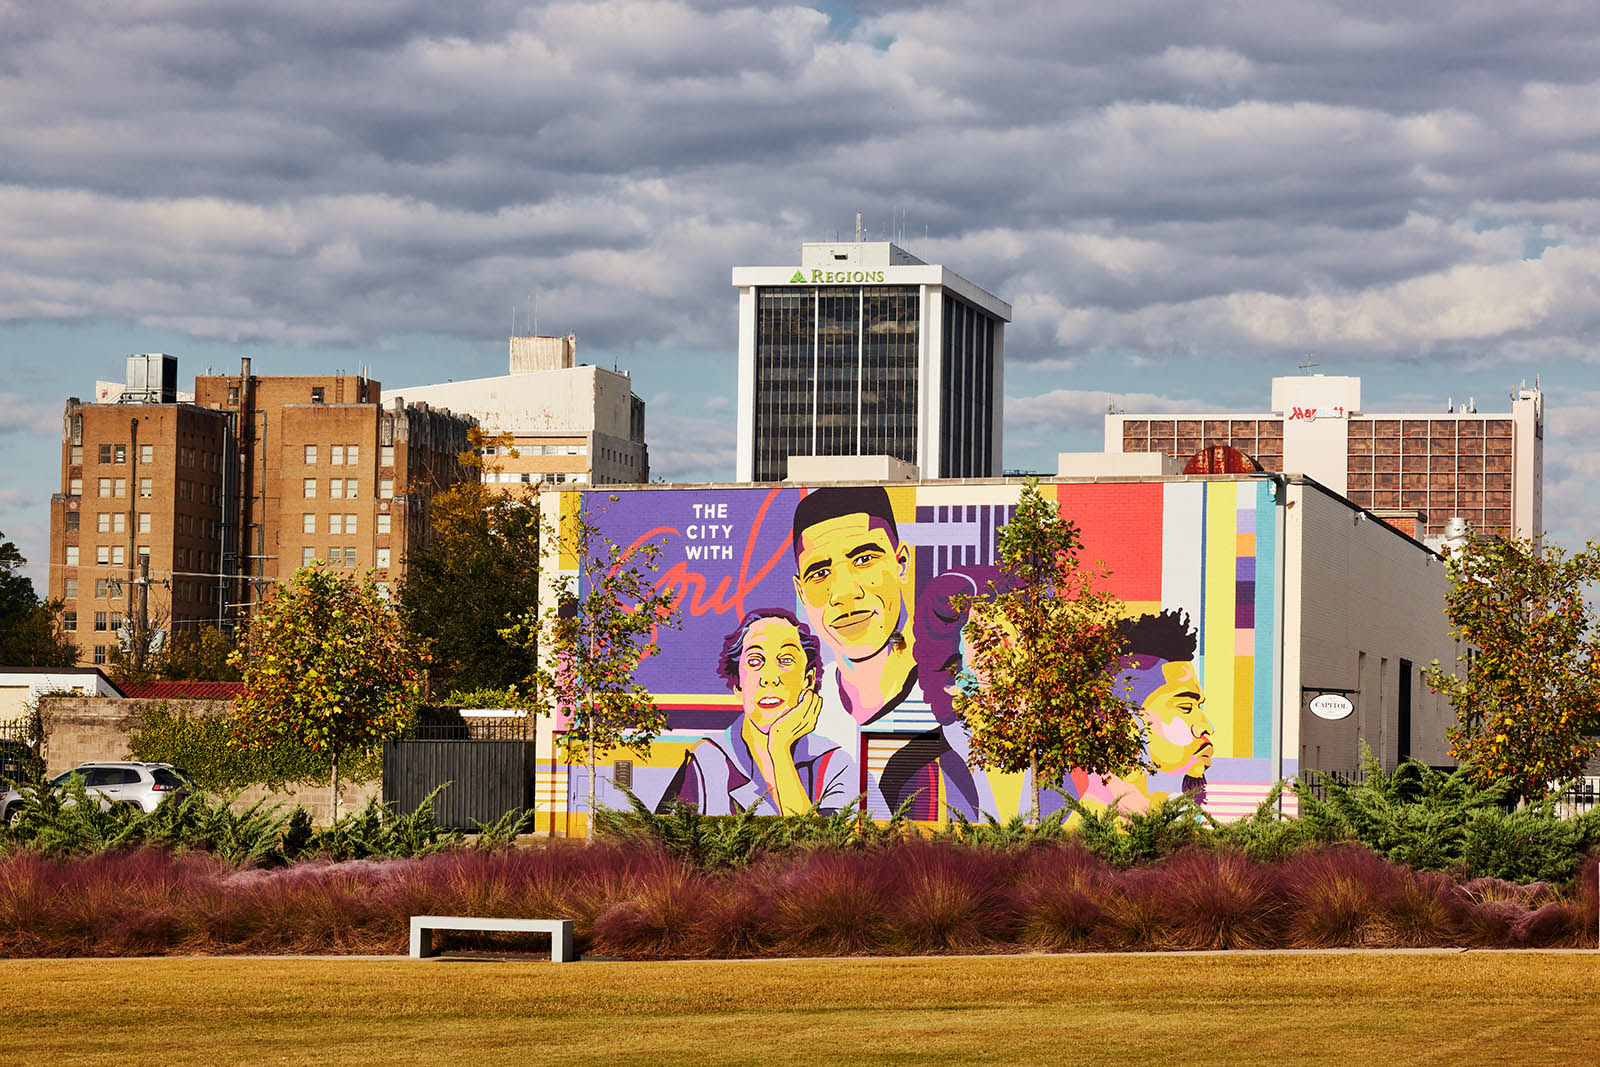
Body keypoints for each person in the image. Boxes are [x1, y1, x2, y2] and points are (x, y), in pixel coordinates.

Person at [655, 609, 854, 815]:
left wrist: (779, 749)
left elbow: (818, 844)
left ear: (809, 681)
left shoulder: (833, 764)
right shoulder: (707, 760)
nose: (769, 677)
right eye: (754, 661)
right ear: (738, 687)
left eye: (785, 660)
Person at [1071, 608, 1213, 815]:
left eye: (1199, 707)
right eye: (1185, 707)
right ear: (1124, 725)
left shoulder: (1158, 815)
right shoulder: (1095, 828)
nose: (1207, 727)